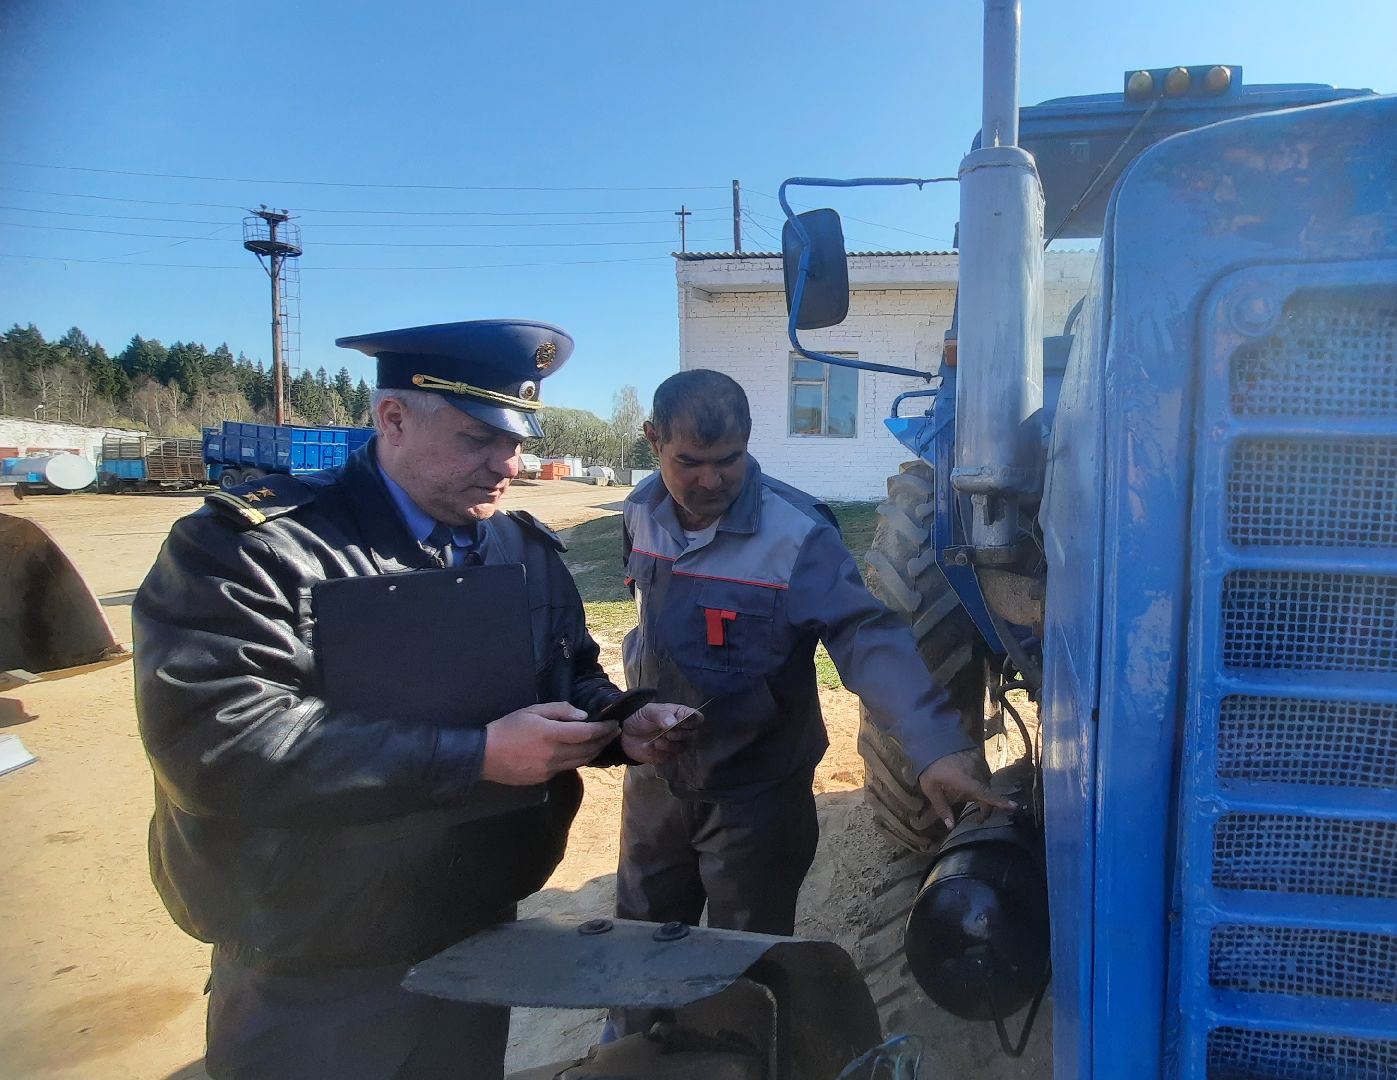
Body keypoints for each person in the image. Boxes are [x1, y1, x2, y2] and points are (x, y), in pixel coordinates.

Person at [133, 320, 698, 1080]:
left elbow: (567, 680)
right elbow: (222, 743)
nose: (509, 463)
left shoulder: (519, 549)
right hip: (313, 961)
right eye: (477, 439)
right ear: (391, 419)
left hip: (472, 933)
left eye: (518, 441)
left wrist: (620, 725)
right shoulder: (253, 549)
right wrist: (478, 758)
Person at [607, 369, 1007, 1032]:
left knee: (743, 976)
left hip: (755, 798)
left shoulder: (797, 535)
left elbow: (866, 636)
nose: (709, 481)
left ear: (748, 442)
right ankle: (630, 1055)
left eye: (727, 461)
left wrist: (934, 741)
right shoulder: (640, 510)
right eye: (689, 463)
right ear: (653, 441)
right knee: (639, 947)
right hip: (655, 783)